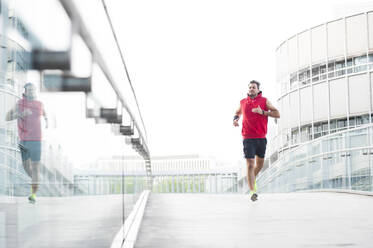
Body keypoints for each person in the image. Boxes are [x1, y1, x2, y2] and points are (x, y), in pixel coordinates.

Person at [233, 80, 280, 201]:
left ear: (258, 89)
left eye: (254, 87)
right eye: (250, 87)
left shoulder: (264, 101)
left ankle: (252, 179)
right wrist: (235, 119)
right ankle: (253, 191)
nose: (251, 89)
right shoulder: (243, 102)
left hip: (261, 138)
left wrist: (263, 112)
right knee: (250, 164)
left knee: (259, 164)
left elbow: (277, 113)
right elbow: (237, 112)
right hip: (248, 137)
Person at [6, 83, 48, 203]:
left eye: (33, 90)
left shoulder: (39, 104)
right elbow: (7, 117)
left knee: (35, 167)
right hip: (23, 140)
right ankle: (36, 180)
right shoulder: (19, 104)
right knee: (25, 166)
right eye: (29, 90)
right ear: (25, 91)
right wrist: (20, 114)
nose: (32, 92)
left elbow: (45, 113)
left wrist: (47, 120)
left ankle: (33, 195)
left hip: (37, 140)